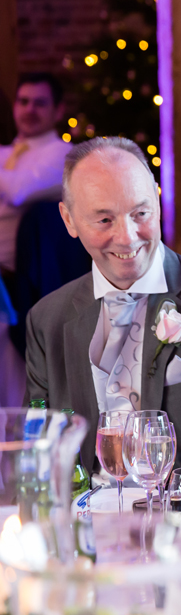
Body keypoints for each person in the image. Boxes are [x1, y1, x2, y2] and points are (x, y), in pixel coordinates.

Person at [24, 137, 181, 483]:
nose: (128, 237)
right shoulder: (47, 319)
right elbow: (36, 456)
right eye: (104, 220)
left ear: (157, 203)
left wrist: (152, 509)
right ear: (69, 220)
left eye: (140, 214)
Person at [0, 73, 71, 407]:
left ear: (58, 110)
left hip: (21, 284)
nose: (29, 110)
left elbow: (19, 192)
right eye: (23, 101)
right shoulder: (6, 154)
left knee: (12, 386)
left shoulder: (63, 155)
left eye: (39, 103)